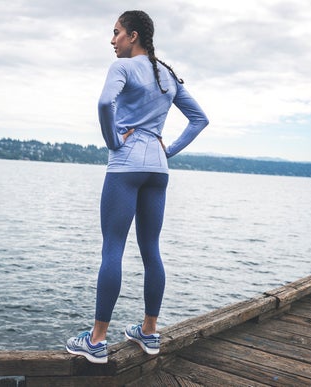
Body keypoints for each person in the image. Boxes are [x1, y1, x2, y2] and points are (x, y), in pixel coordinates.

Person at [66, 10, 209, 364]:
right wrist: (169, 149)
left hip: (126, 163)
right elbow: (200, 119)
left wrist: (113, 139)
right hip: (158, 169)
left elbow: (103, 103)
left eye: (115, 33)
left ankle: (96, 340)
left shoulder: (123, 68)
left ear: (132, 36)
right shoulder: (167, 75)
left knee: (112, 249)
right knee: (151, 250)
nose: (112, 40)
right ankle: (149, 331)